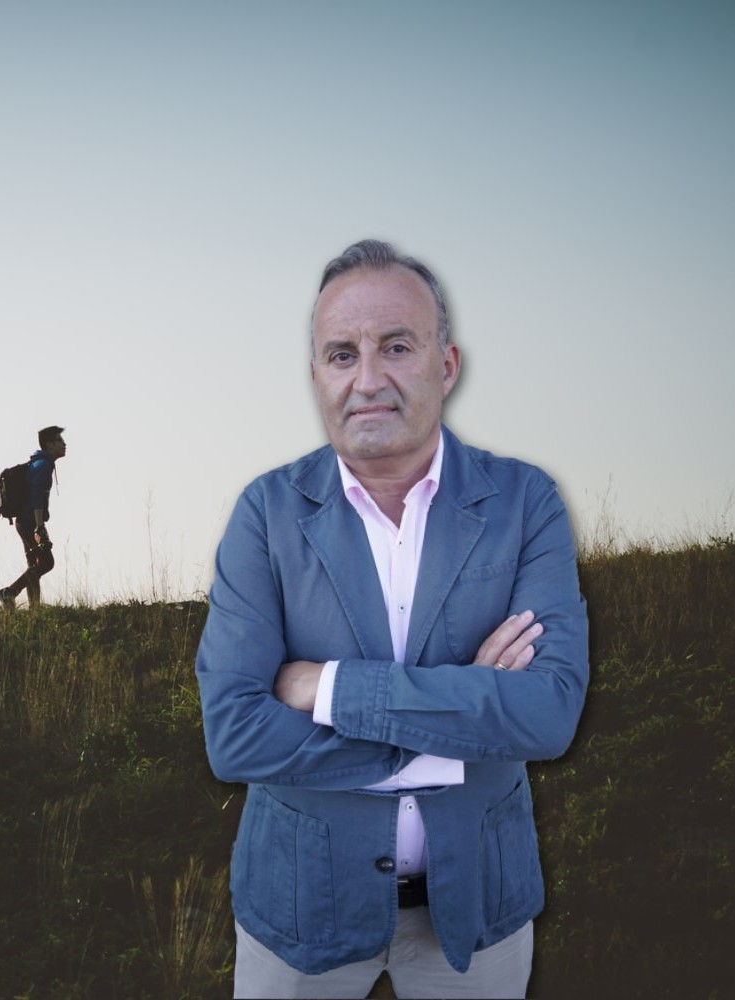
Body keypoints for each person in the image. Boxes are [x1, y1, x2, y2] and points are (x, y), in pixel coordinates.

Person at [195, 239, 589, 999]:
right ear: (315, 377)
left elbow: (544, 715)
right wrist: (453, 731)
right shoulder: (264, 514)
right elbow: (232, 732)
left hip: (476, 909)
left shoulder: (524, 503)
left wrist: (326, 689)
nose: (366, 380)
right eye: (340, 354)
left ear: (445, 365)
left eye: (395, 347)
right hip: (300, 910)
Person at [0, 425, 66, 610]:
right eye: (60, 440)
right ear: (49, 445)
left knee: (34, 564)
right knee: (46, 562)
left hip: (25, 521)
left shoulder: (39, 463)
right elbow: (37, 498)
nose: (64, 444)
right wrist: (39, 527)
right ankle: (9, 592)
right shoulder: (43, 466)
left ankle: (34, 607)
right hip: (29, 522)